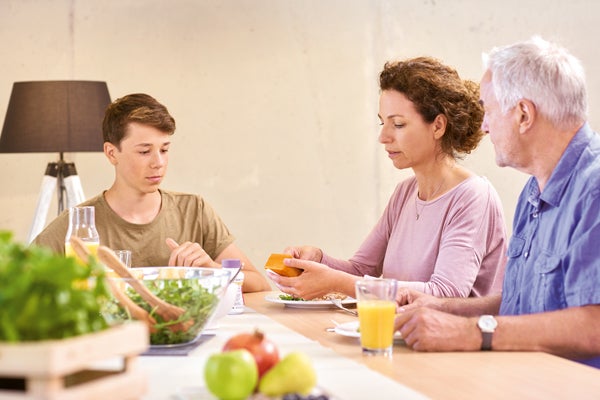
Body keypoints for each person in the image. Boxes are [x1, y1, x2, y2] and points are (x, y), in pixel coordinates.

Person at [394, 37, 600, 368]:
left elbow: (594, 326)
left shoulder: (595, 190)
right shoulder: (534, 189)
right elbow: (525, 306)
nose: (484, 126)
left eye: (488, 110)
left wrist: (470, 333)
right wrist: (441, 308)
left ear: (523, 114)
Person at [268, 57, 507, 300]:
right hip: (400, 334)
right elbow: (361, 270)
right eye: (383, 123)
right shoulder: (405, 193)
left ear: (438, 127)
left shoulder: (473, 197)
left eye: (398, 124)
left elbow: (446, 294)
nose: (383, 136)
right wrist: (318, 260)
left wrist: (337, 282)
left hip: (451, 337)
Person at [33, 93, 270, 293]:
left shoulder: (194, 210)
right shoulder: (79, 225)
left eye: (164, 150)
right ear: (111, 153)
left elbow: (259, 285)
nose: (158, 163)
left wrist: (211, 271)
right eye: (145, 151)